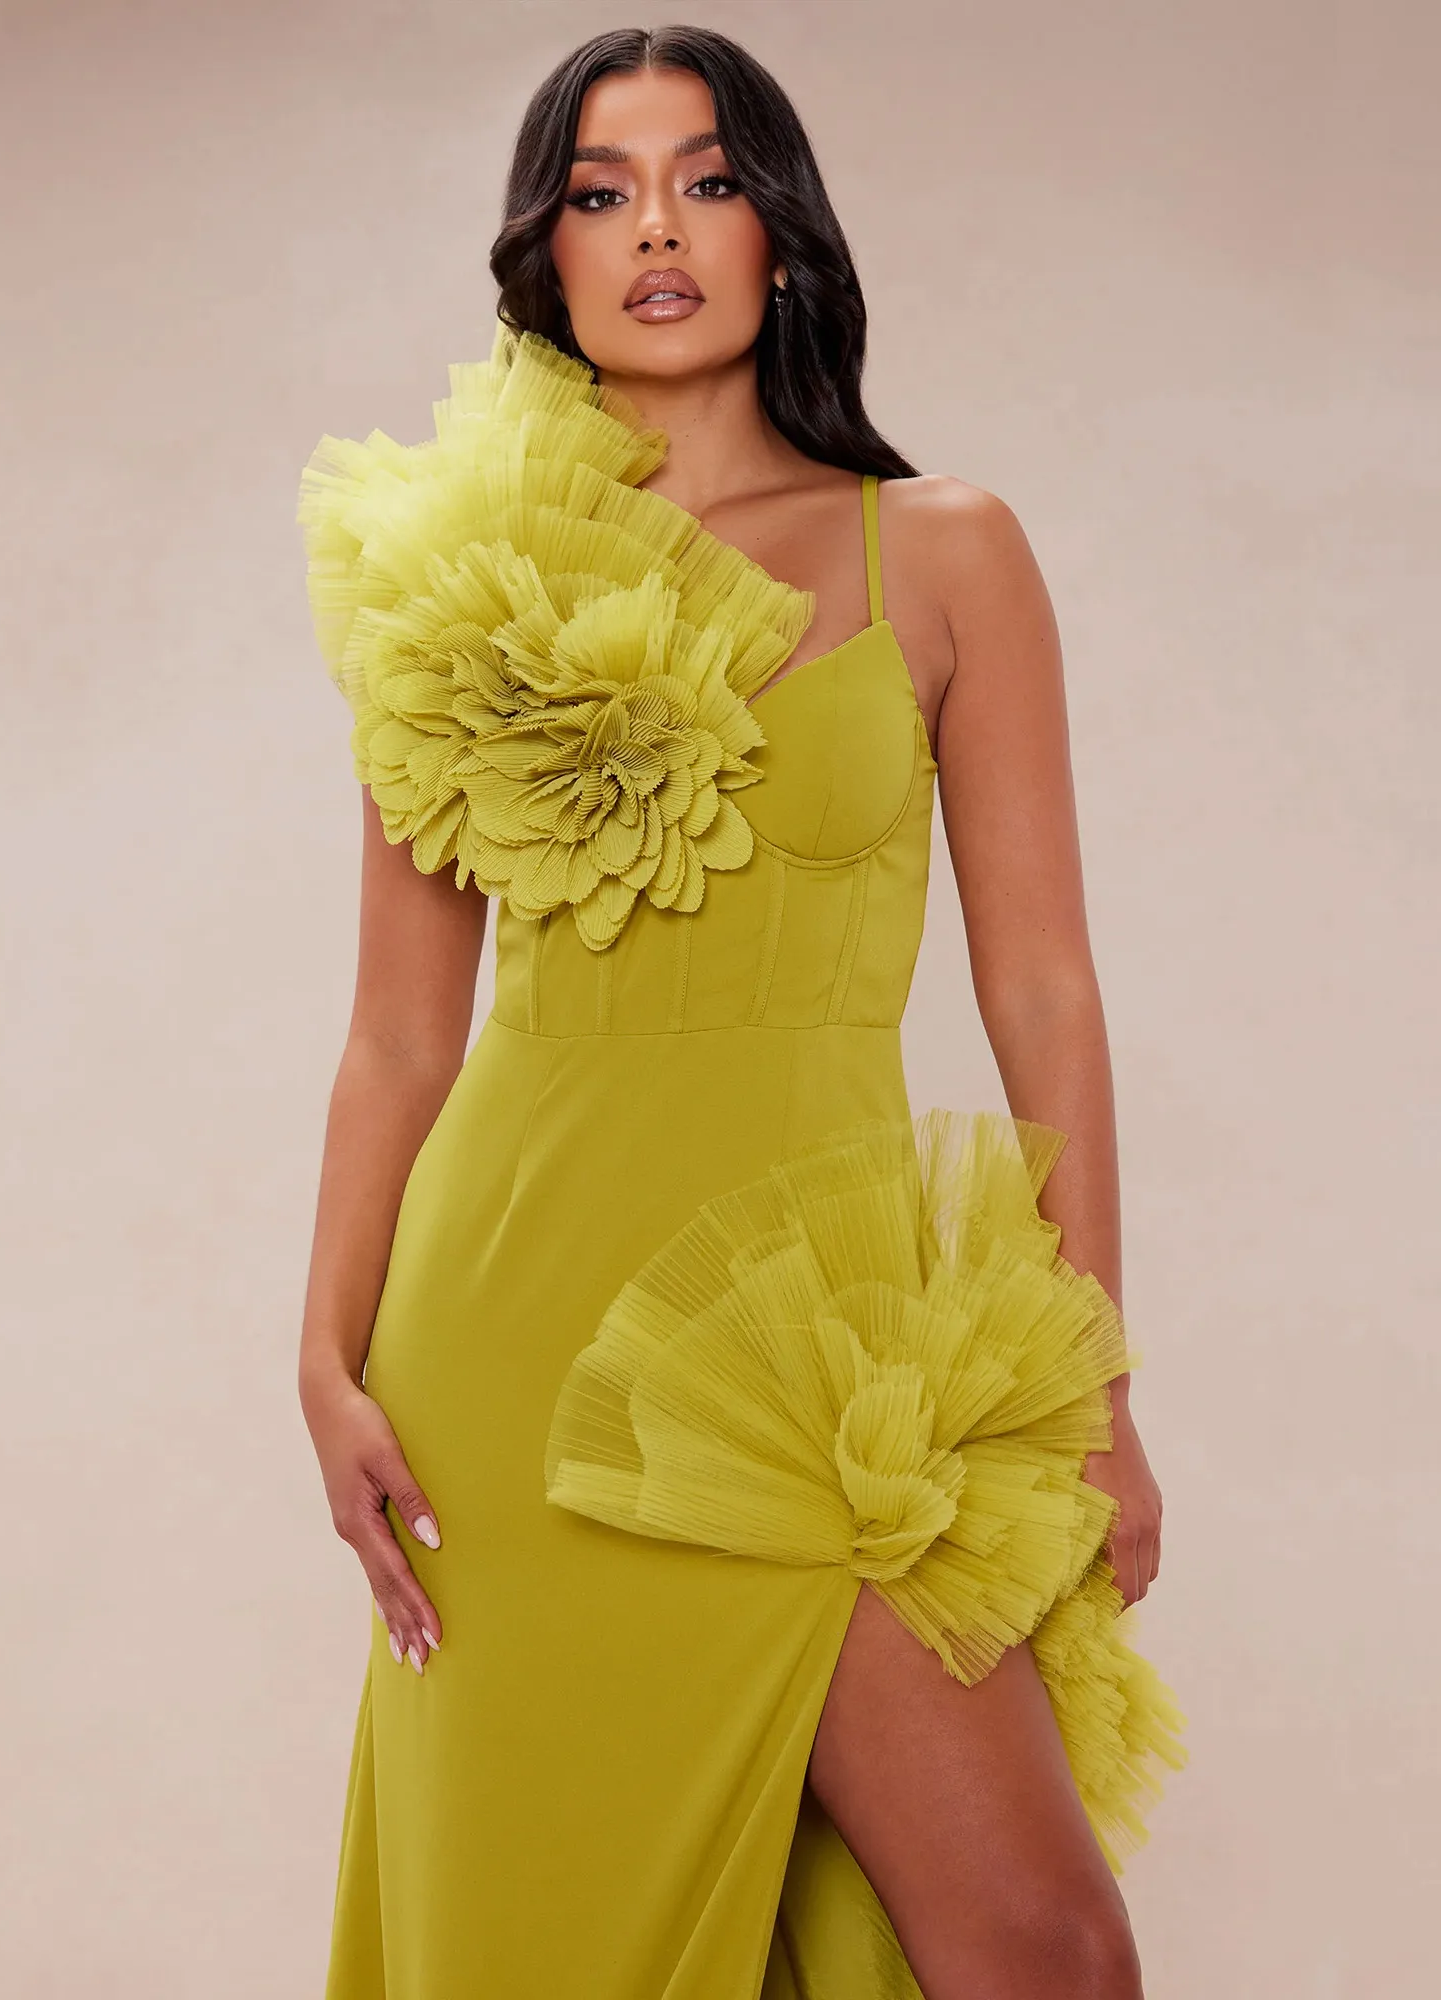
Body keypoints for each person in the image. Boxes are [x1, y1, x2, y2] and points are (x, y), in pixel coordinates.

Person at [295, 25, 1185, 2000]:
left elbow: (1043, 987)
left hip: (823, 1357)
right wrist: (323, 1358)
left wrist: (1100, 1390)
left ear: (782, 232)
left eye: (705, 180)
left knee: (1044, 1949)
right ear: (545, 255)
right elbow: (399, 1036)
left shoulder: (941, 549)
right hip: (509, 1345)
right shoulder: (463, 589)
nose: (656, 229)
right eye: (599, 192)